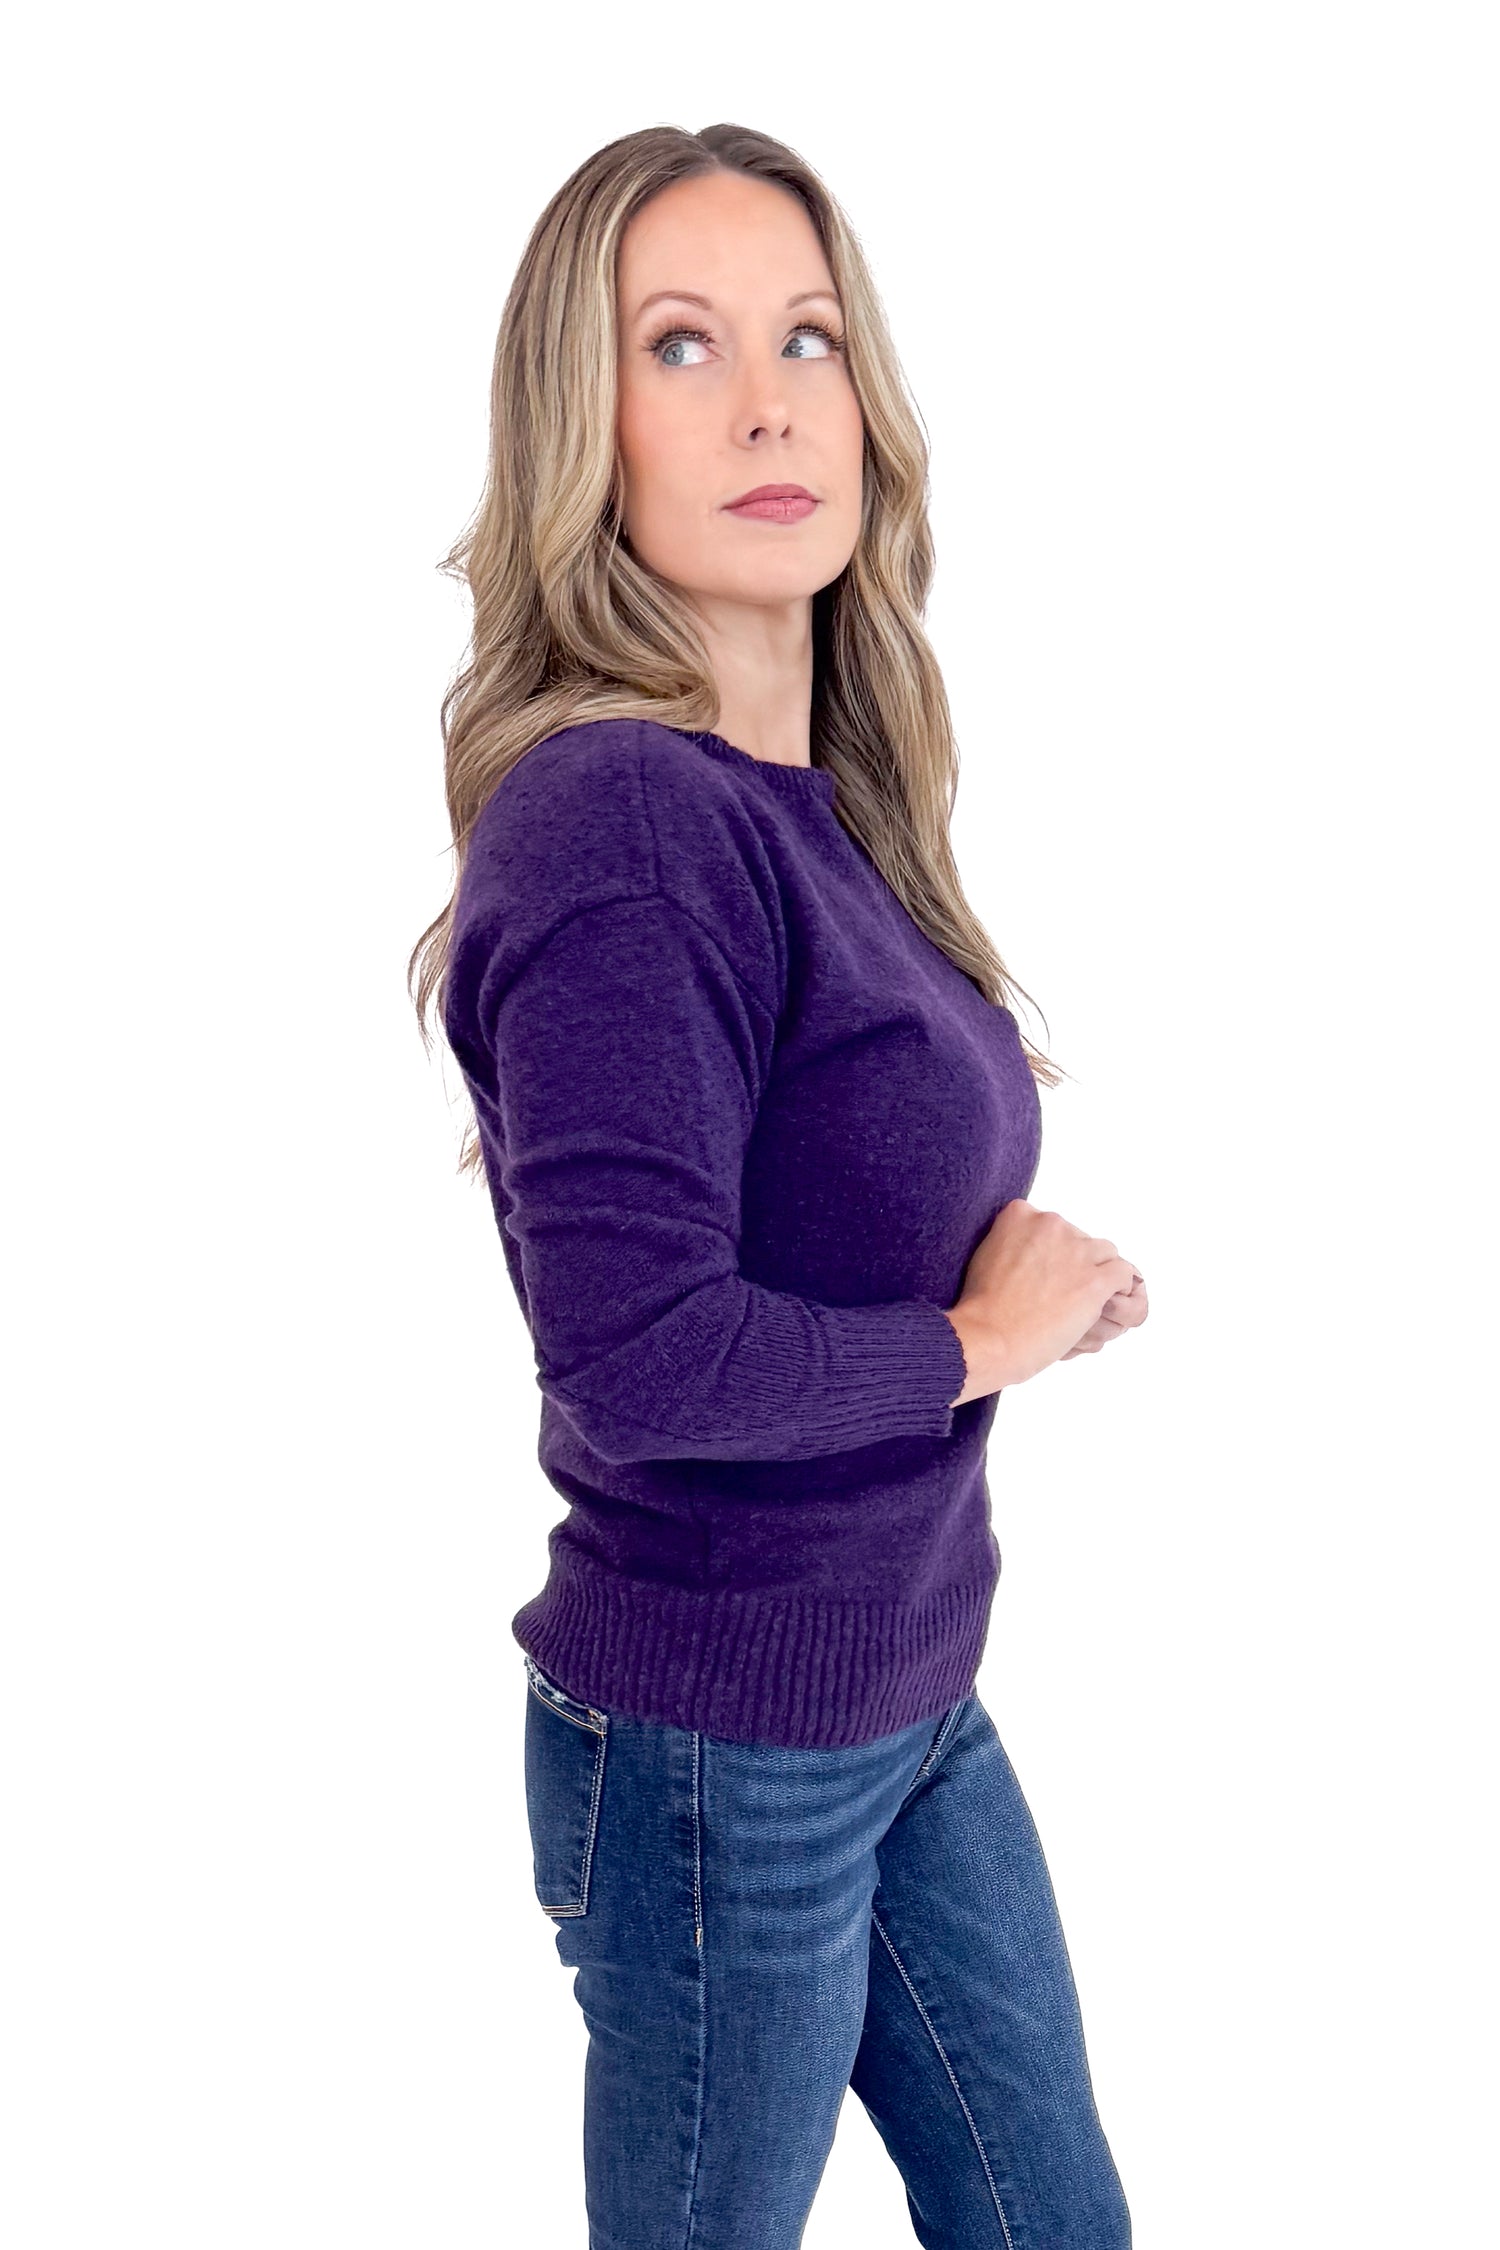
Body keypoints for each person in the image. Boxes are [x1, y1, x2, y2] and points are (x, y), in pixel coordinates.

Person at [411, 120, 1146, 2250]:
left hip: (903, 1693)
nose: (767, 402)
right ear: (583, 429)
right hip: (724, 1756)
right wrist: (978, 1339)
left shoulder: (821, 805)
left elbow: (828, 1201)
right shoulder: (621, 825)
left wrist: (1007, 1281)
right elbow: (643, 1361)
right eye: (682, 344)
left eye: (807, 337)